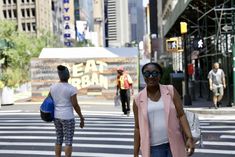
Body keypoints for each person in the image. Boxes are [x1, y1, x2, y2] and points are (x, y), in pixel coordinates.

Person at [133, 62, 195, 157]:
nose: (151, 77)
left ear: (160, 75)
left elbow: (181, 114)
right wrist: (135, 153)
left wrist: (189, 137)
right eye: (146, 73)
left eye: (155, 73)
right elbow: (137, 128)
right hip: (153, 148)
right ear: (143, 76)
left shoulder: (170, 90)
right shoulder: (138, 99)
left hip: (175, 143)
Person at [50, 65, 85, 157]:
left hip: (57, 117)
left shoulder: (53, 87)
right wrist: (81, 117)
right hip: (68, 117)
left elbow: (50, 101)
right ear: (68, 76)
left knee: (59, 139)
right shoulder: (71, 88)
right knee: (68, 141)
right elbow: (75, 105)